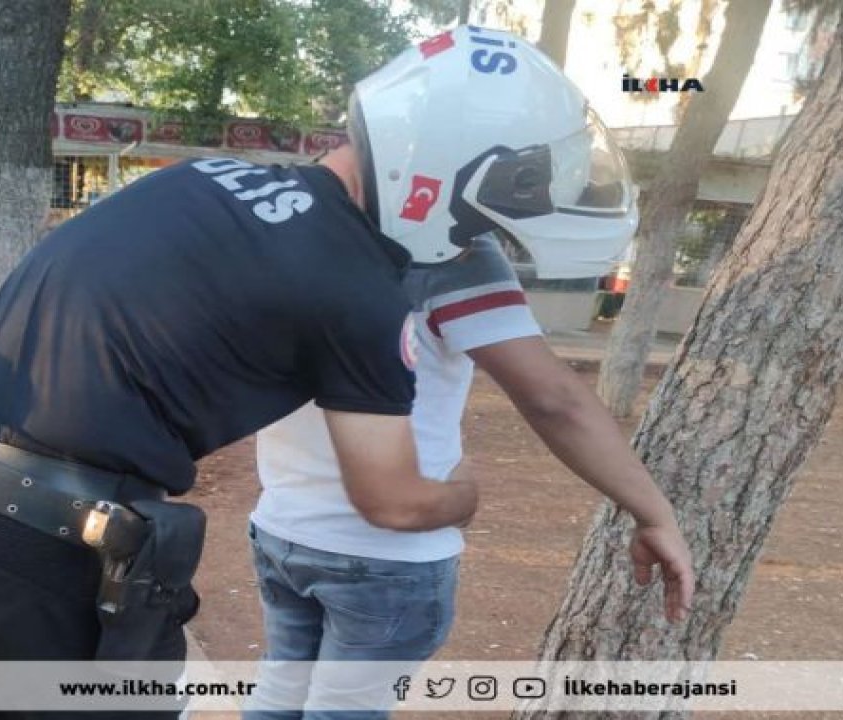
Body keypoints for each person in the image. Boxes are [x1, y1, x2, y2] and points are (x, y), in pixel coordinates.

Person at [0, 24, 690, 720]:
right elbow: (394, 500)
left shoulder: (200, 182)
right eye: (503, 195)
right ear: (448, 174)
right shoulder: (355, 286)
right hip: (30, 569)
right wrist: (464, 495)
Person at [243, 26, 694, 719]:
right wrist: (654, 511)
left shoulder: (284, 223)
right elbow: (553, 400)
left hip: (281, 530)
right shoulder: (452, 256)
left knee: (278, 701)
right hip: (386, 555)